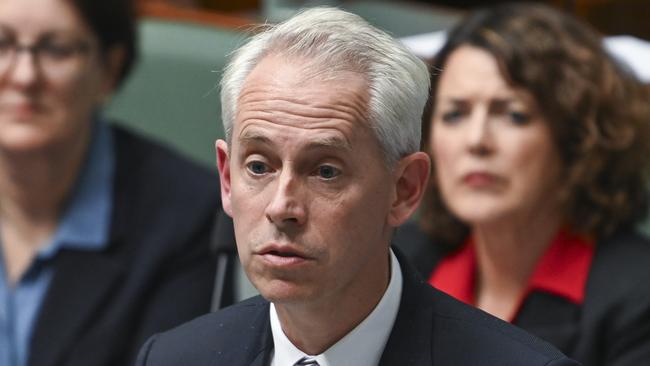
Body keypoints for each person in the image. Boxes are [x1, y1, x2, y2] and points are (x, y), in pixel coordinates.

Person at [135, 7, 579, 366]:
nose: (282, 207)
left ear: (404, 189)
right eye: (258, 166)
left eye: (325, 171)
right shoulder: (173, 357)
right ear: (227, 178)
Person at [394, 3, 650, 365]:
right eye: (454, 114)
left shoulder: (638, 297)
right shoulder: (400, 260)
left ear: (576, 136)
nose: (477, 140)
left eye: (513, 114)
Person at [0, 1, 233, 365]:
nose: (24, 75)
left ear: (109, 69)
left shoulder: (186, 215)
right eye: (1, 44)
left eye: (56, 49)